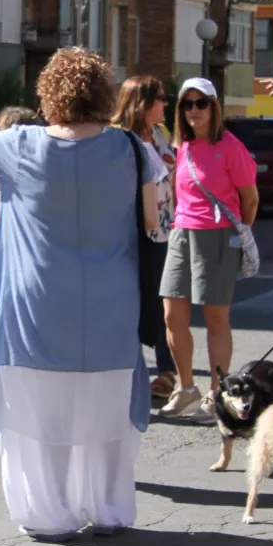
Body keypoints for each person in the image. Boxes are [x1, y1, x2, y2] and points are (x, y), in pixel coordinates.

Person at [0, 48, 161, 540]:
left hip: (36, 303)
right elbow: (150, 222)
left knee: (38, 406)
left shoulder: (20, 144)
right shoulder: (131, 148)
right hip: (110, 301)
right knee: (103, 404)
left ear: (50, 95)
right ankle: (106, 508)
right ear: (103, 93)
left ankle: (48, 512)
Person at [158, 78, 259, 424]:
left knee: (216, 319)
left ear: (214, 107)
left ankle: (218, 394)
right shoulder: (181, 145)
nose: (193, 111)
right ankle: (186, 387)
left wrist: (237, 235)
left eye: (201, 103)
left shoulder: (231, 146)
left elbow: (250, 198)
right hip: (181, 233)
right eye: (187, 104)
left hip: (218, 236)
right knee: (172, 315)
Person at [111, 75, 177, 397]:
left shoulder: (161, 135)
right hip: (132, 233)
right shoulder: (118, 138)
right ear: (143, 102)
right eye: (161, 98)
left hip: (165, 231)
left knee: (164, 303)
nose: (167, 103)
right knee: (131, 303)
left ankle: (167, 372)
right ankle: (129, 370)